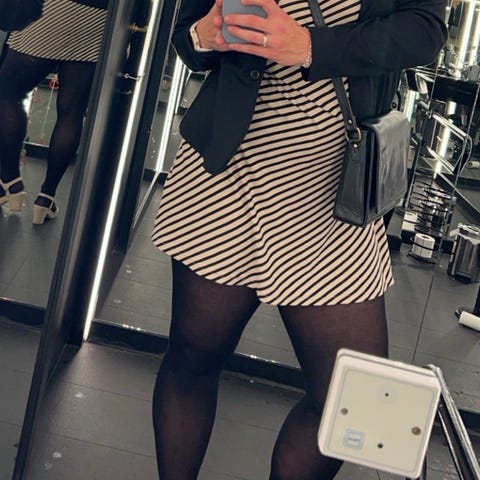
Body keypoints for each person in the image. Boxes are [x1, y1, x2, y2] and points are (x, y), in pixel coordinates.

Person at [151, 0, 447, 478]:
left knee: (351, 399)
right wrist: (205, 35)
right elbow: (187, 38)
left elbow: (424, 31)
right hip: (228, 172)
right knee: (191, 359)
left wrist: (311, 46)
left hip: (335, 187)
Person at [0, 0, 108, 224]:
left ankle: (10, 180)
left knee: (8, 94)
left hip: (51, 9)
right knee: (72, 113)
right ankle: (46, 197)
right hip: (97, 20)